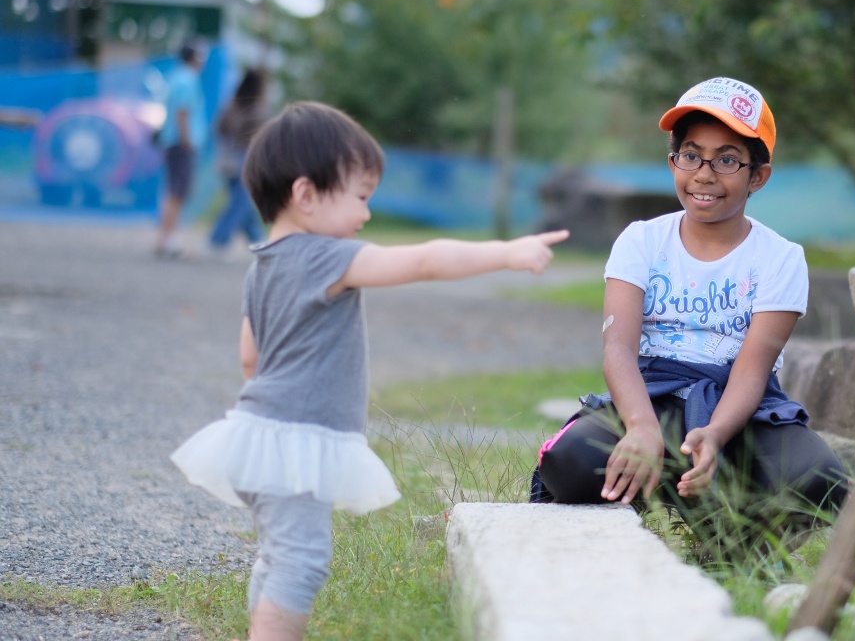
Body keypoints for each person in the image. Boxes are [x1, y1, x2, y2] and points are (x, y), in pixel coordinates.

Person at [170, 101, 568, 641]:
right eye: (360, 197)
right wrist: (505, 252)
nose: (366, 215)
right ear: (306, 195)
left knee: (278, 553)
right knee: (301, 559)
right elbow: (424, 261)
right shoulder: (325, 258)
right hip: (298, 437)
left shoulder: (263, 263)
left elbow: (249, 355)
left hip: (258, 431)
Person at [533, 76, 848, 544]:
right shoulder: (642, 240)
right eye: (691, 154)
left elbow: (751, 371)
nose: (704, 173)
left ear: (757, 175)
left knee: (820, 482)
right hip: (651, 394)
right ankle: (644, 495)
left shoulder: (781, 258)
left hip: (739, 407)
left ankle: (732, 536)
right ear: (672, 161)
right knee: (570, 462)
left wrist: (716, 435)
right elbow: (618, 351)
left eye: (727, 159)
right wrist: (640, 427)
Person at [155, 40, 208, 259]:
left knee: (172, 191)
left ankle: (165, 238)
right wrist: (187, 140)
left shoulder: (175, 77)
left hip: (172, 141)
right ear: (194, 58)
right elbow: (182, 112)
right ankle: (170, 240)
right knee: (177, 192)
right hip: (181, 142)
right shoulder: (188, 79)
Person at [208, 68, 269, 256]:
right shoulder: (258, 109)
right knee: (240, 202)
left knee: (242, 202)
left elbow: (218, 128)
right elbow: (263, 136)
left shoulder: (230, 105)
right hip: (247, 158)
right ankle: (218, 239)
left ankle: (259, 241)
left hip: (227, 158)